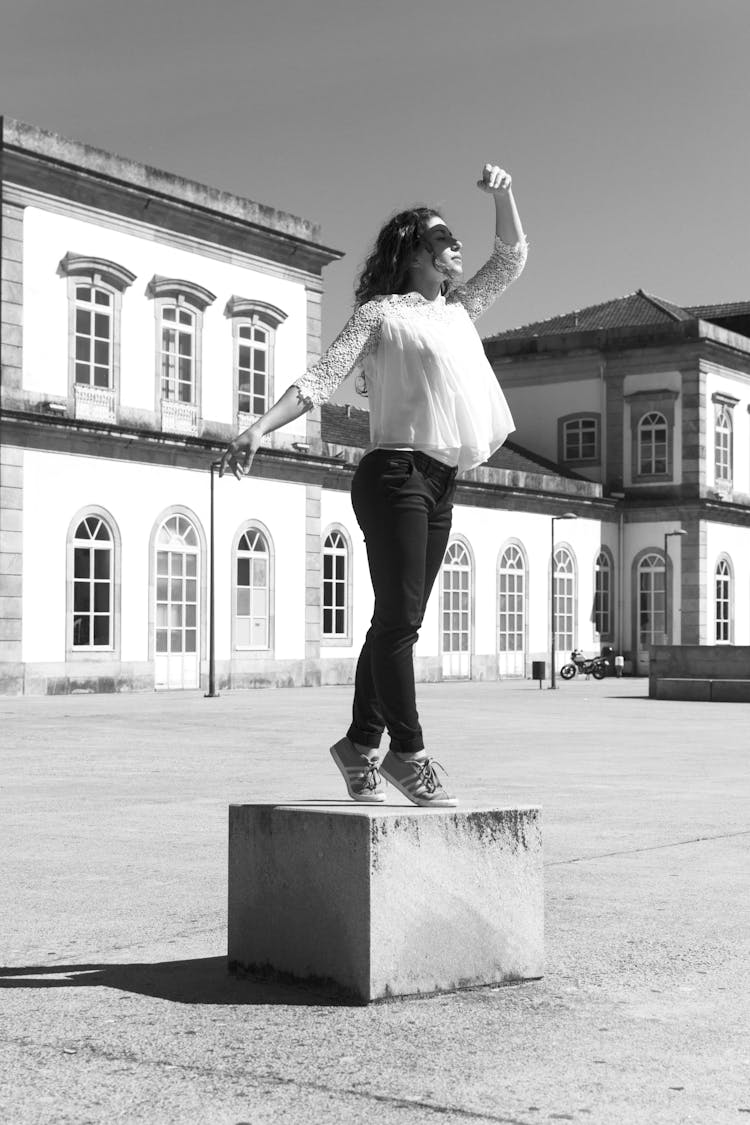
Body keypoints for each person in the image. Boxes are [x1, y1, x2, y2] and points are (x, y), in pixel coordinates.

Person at [219, 162, 527, 808]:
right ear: (412, 249)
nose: (455, 245)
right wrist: (259, 428)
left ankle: (359, 743)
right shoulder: (382, 315)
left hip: (443, 479)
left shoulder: (458, 309)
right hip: (393, 474)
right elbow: (321, 379)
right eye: (442, 236)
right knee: (400, 625)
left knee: (398, 619)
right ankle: (407, 754)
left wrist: (504, 195)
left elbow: (511, 256)